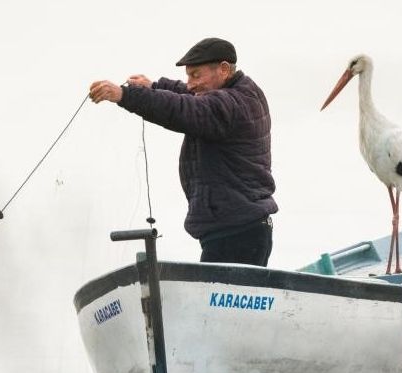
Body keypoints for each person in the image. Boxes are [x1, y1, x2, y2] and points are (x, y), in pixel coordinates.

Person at [89, 37, 277, 267]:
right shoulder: (240, 91)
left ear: (224, 69)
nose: (189, 83)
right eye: (188, 76)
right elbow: (189, 96)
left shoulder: (231, 104)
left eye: (195, 75)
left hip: (236, 234)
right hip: (240, 228)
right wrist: (155, 87)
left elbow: (182, 108)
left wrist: (125, 95)